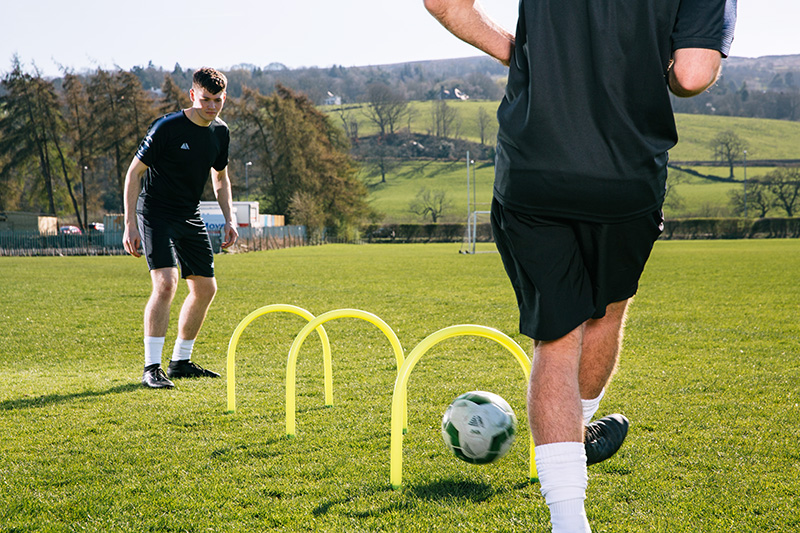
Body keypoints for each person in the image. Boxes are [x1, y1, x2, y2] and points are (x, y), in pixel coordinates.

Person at [423, 0, 735, 531]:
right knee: (607, 313)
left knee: (558, 337)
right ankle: (575, 434)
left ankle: (570, 505)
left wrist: (523, 54)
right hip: (625, 173)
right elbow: (693, 71)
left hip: (534, 165)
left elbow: (443, 3)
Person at [123, 67, 239, 389]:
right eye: (205, 99)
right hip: (155, 213)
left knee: (206, 288)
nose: (212, 107)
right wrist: (129, 224)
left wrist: (229, 218)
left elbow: (220, 178)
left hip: (189, 214)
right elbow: (134, 174)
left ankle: (181, 362)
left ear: (224, 98)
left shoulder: (220, 133)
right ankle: (151, 368)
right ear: (192, 95)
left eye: (217, 100)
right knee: (166, 283)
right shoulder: (167, 128)